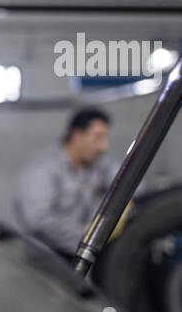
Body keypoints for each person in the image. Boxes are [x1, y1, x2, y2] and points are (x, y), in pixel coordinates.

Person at [13, 108, 115, 262]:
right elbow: (39, 221)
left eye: (105, 138)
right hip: (38, 261)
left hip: (71, 258)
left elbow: (124, 180)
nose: (103, 146)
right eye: (98, 138)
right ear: (77, 136)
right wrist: (86, 235)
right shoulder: (43, 169)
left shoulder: (94, 167)